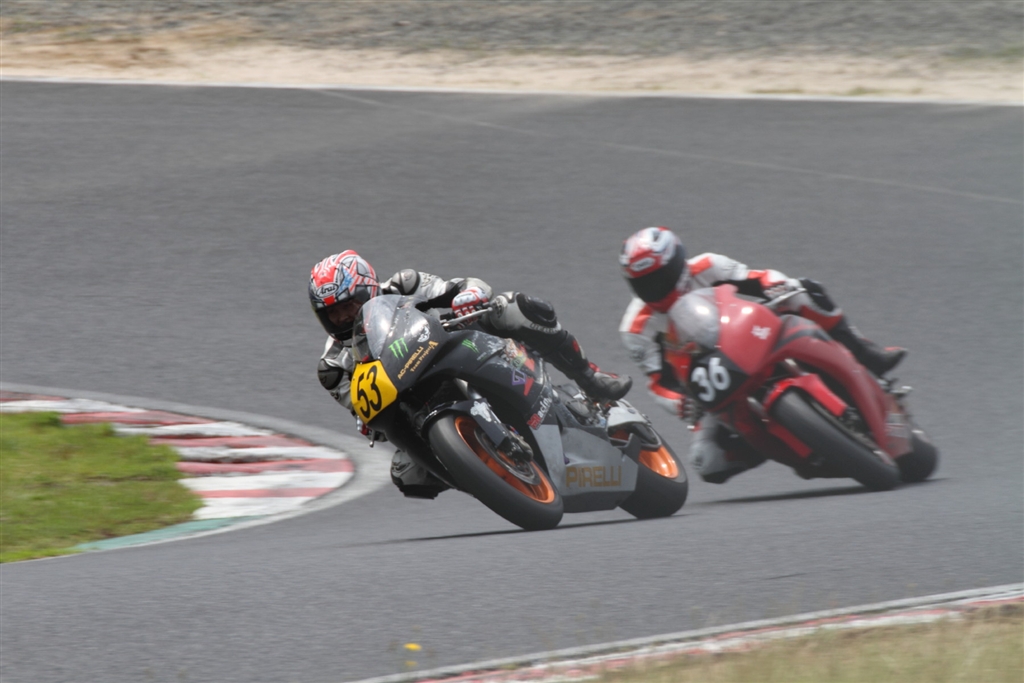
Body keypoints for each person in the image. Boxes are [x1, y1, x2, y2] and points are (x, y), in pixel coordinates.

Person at [309, 249, 632, 497]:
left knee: (513, 307)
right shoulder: (333, 366)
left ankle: (590, 378)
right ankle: (484, 471)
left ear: (368, 290)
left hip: (457, 345)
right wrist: (368, 421)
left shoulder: (404, 284)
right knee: (406, 473)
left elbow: (464, 286)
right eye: (333, 314)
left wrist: (468, 295)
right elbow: (363, 412)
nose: (343, 318)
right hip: (414, 399)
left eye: (348, 306)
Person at [618, 226, 906, 484]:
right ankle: (777, 444)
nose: (655, 289)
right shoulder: (636, 328)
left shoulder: (707, 265)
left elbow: (757, 278)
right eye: (645, 284)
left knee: (805, 291)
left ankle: (865, 352)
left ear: (679, 263)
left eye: (661, 277)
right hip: (711, 385)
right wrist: (681, 403)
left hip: (749, 337)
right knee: (708, 463)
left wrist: (776, 285)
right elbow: (658, 383)